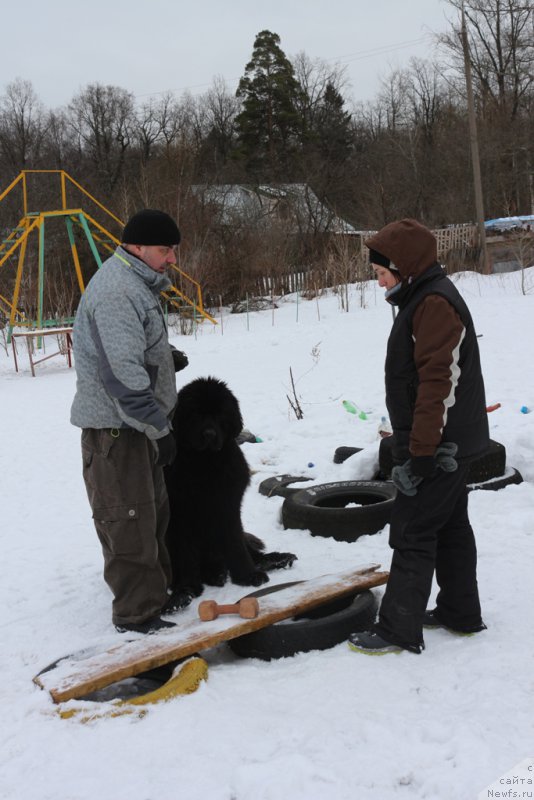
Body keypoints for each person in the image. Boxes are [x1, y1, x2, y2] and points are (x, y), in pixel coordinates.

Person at [349, 218, 489, 655]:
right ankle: (459, 612)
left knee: (413, 528)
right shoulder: (423, 297)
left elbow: (438, 382)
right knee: (450, 524)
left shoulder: (433, 303)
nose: (379, 282)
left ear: (404, 267)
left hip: (441, 444)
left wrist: (423, 449)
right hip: (449, 438)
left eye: (382, 273)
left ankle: (398, 629)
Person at [71, 209, 189, 634]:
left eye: (173, 250)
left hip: (137, 427)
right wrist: (160, 428)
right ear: (136, 247)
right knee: (129, 520)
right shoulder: (117, 292)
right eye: (165, 250)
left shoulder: (137, 283)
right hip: (118, 433)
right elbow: (122, 379)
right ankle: (137, 614)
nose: (172, 259)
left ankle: (157, 593)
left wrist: (164, 359)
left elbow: (128, 347)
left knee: (152, 515)